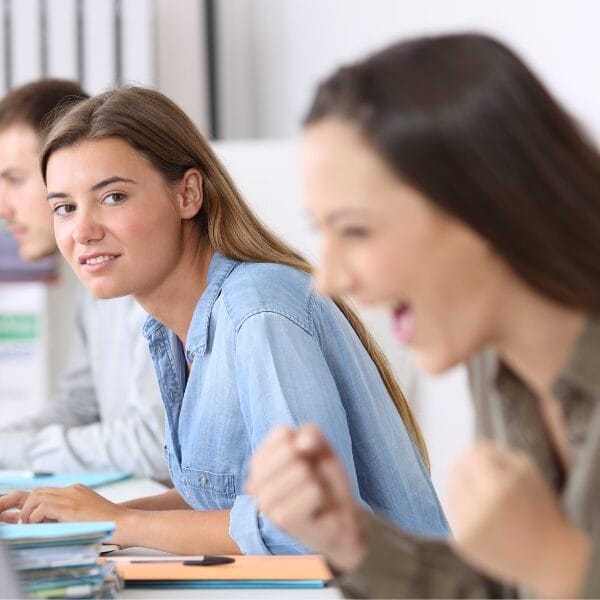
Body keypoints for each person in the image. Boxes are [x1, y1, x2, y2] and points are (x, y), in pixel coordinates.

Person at [0, 86, 448, 555]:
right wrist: (75, 514)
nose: (83, 231)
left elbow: (308, 528)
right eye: (64, 208)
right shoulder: (173, 329)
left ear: (188, 193)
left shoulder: (257, 310)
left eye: (113, 197)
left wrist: (120, 522)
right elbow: (222, 498)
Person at [246, 32, 600, 598]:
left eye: (355, 230)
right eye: (322, 230)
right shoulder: (495, 358)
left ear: (491, 206)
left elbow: (548, 573)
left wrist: (559, 563)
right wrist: (352, 539)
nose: (329, 280)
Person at [0, 79, 168, 480]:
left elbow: (156, 442)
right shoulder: (95, 281)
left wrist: (19, 450)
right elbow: (80, 404)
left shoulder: (151, 279)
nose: (3, 207)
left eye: (15, 179)